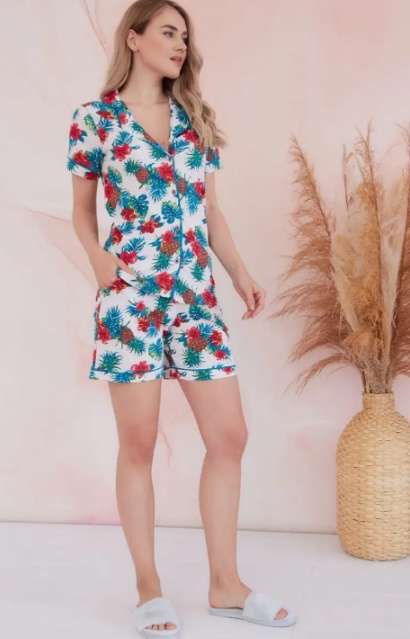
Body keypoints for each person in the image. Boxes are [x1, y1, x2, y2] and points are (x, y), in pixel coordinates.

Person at [66, 0, 295, 636]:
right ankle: (149, 588)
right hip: (131, 298)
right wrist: (98, 259)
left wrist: (240, 273)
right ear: (134, 38)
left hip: (195, 299)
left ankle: (226, 584)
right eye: (169, 32)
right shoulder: (95, 120)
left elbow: (210, 210)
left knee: (229, 437)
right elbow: (82, 211)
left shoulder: (194, 118)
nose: (180, 45)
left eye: (185, 37)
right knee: (138, 444)